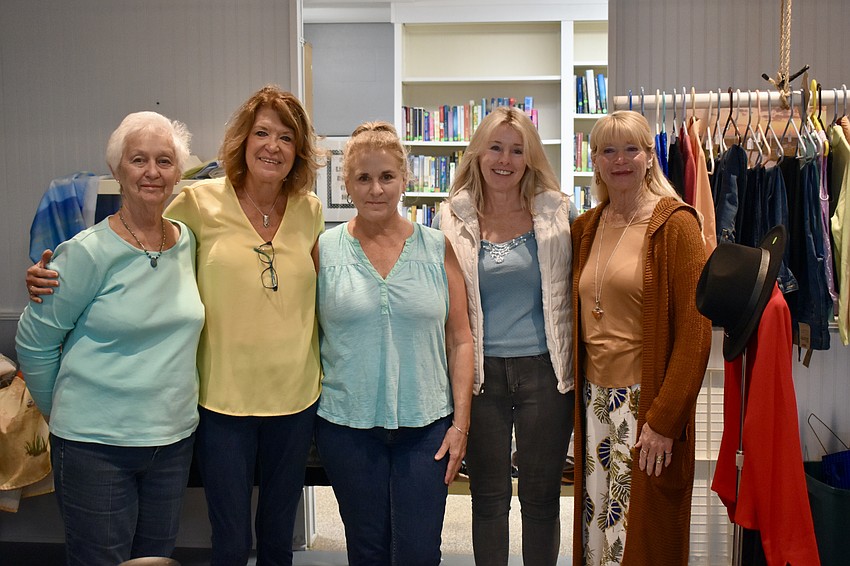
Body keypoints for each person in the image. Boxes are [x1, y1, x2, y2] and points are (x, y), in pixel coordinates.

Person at [26, 85, 325, 566]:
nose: (272, 145)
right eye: (262, 132)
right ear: (243, 141)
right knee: (229, 539)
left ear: (299, 151)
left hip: (294, 396)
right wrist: (50, 273)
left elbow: (323, 292)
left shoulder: (310, 210)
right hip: (220, 400)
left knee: (278, 537)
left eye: (286, 137)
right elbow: (130, 233)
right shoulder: (199, 203)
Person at [16, 111, 205, 566]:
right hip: (94, 447)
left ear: (179, 173)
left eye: (164, 161)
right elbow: (33, 342)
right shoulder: (85, 252)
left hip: (172, 442)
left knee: (154, 561)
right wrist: (65, 408)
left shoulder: (190, 243)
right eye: (138, 159)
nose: (152, 172)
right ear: (118, 170)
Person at [313, 121, 474, 566]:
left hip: (427, 429)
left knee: (420, 552)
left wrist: (460, 426)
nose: (376, 189)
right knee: (367, 551)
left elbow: (460, 339)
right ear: (346, 183)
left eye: (386, 176)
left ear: (405, 179)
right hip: (347, 428)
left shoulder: (437, 248)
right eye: (363, 178)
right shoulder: (324, 250)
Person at [571, 110, 711, 565]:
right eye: (608, 150)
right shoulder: (586, 227)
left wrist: (665, 421)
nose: (620, 160)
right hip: (594, 404)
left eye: (632, 148)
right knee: (598, 531)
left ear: (651, 157)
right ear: (594, 160)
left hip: (644, 407)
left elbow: (696, 331)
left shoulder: (676, 225)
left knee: (642, 536)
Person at [437, 106, 574, 565]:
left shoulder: (557, 213)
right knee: (489, 498)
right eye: (495, 147)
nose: (505, 159)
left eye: (517, 150)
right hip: (480, 375)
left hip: (544, 372)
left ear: (530, 158)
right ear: (477, 153)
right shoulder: (451, 216)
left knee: (540, 499)